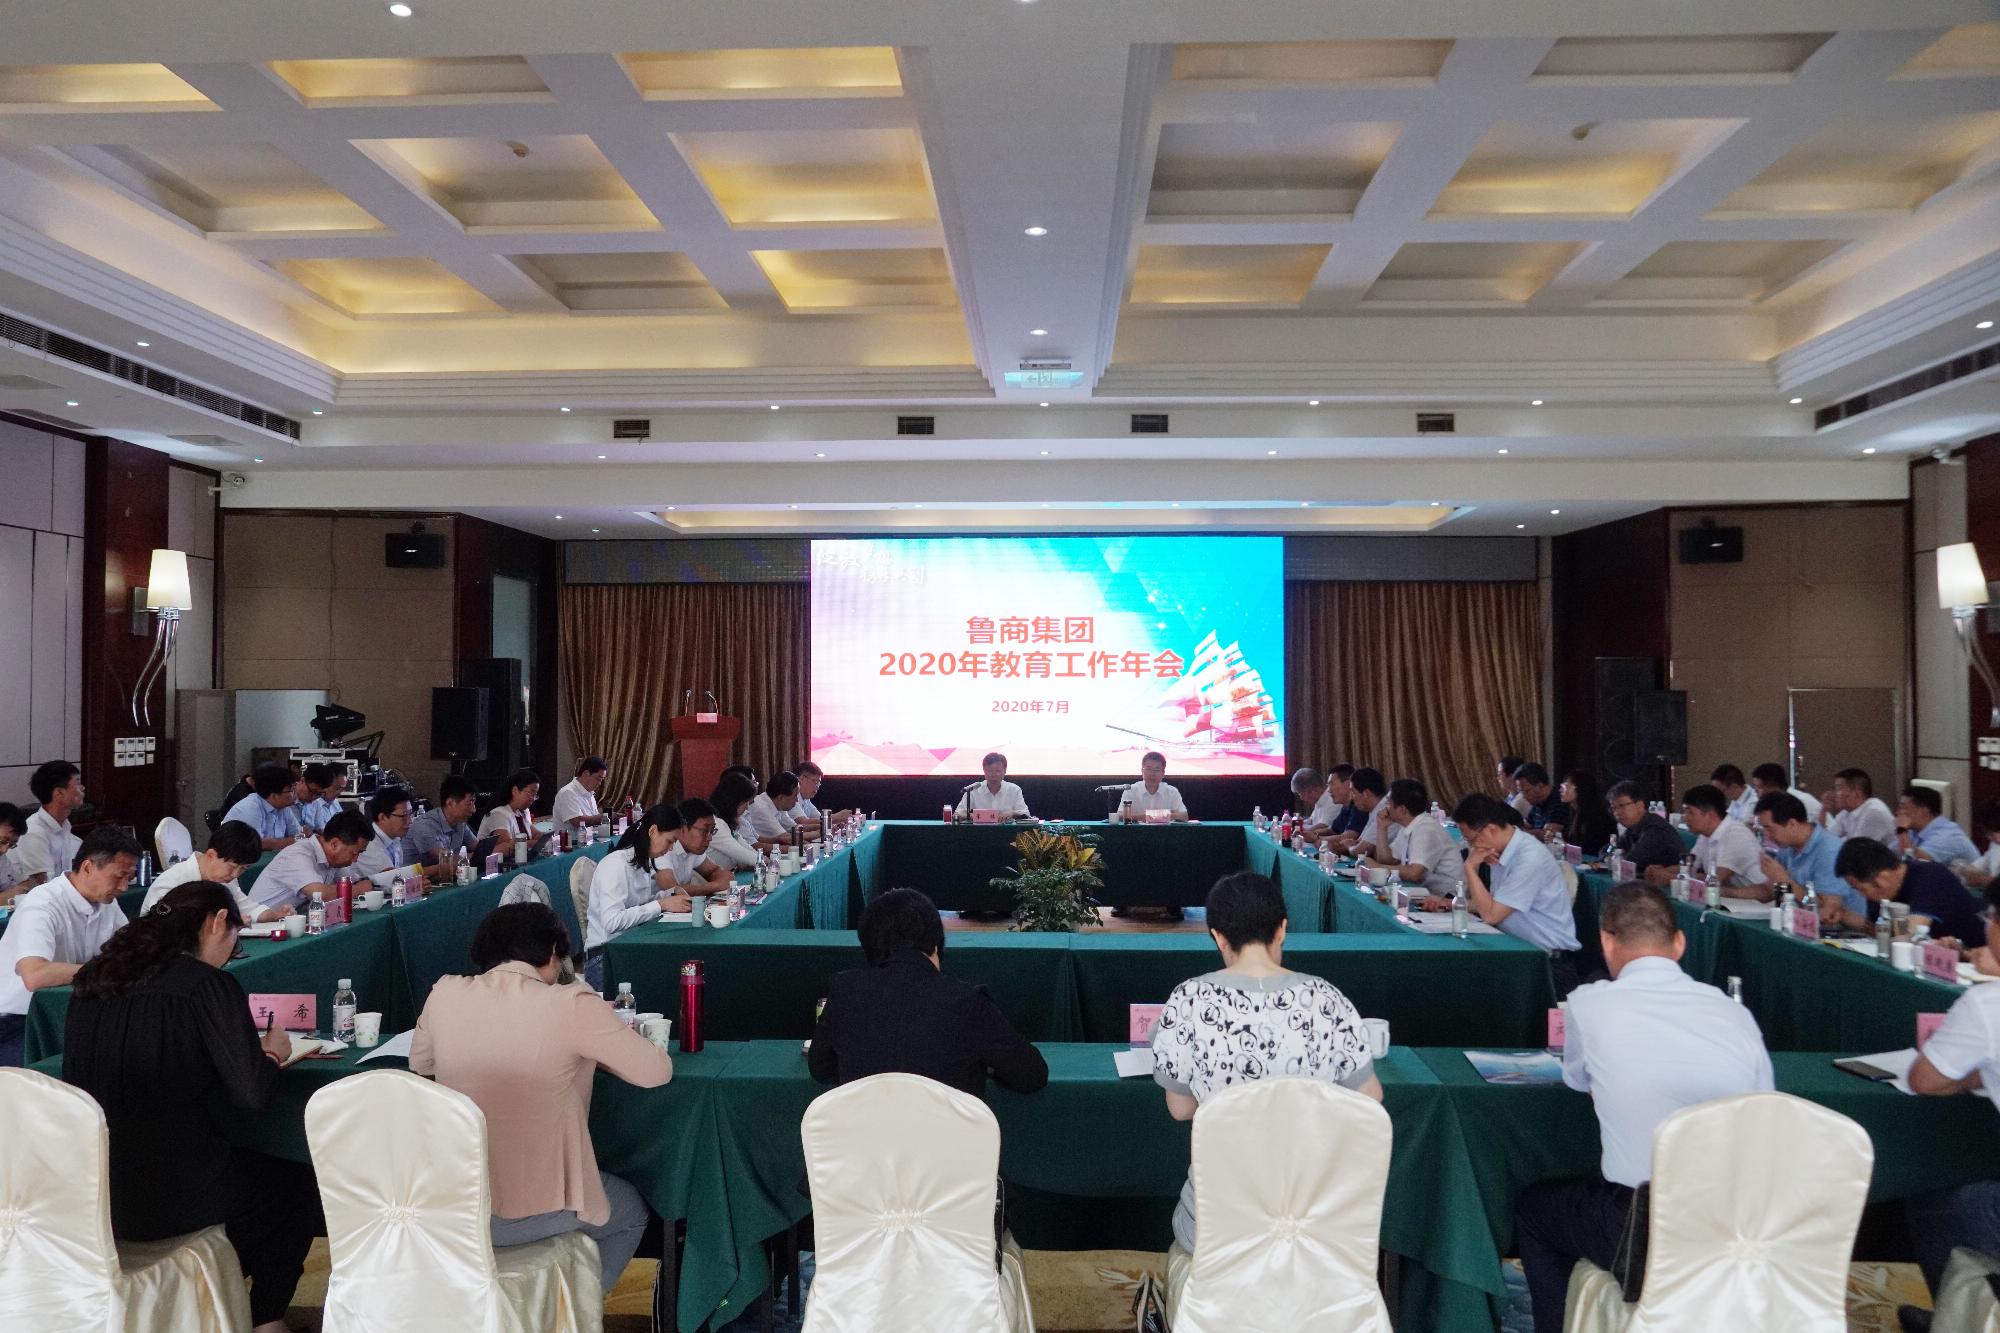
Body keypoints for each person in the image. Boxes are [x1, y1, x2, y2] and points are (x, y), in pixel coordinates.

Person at [61, 881, 320, 1333]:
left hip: (91, 1191)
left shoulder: (94, 981)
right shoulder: (204, 985)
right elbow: (252, 1094)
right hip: (172, 1192)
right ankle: (266, 1318)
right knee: (296, 1183)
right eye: (233, 938)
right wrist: (272, 1055)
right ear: (218, 922)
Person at [1514, 883, 1773, 1333]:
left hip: (1641, 1229)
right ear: (1680, 943)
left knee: (1534, 1211)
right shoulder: (1734, 1013)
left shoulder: (1587, 1004)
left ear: (1607, 942)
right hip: (1735, 1225)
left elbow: (1579, 1083)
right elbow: (1764, 1107)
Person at [412, 901, 671, 1293]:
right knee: (631, 1212)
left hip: (451, 1203)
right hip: (537, 1208)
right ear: (553, 953)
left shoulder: (445, 992)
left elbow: (421, 1062)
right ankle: (575, 1312)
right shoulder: (571, 1002)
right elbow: (655, 1072)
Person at [1150, 871, 1379, 1253]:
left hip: (1218, 1229)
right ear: (1283, 929)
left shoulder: (1187, 1000)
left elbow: (1180, 1108)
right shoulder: (1328, 999)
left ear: (1218, 936)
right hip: (1315, 1225)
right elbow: (1369, 1100)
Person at [809, 887, 1047, 1096]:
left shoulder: (844, 990)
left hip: (864, 1133)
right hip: (949, 1134)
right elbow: (1031, 1075)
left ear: (868, 945)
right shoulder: (966, 1001)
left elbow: (820, 1068)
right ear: (935, 943)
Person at [1904, 882, 2000, 1324]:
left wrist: (1970, 1077)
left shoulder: (1987, 1003)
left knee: (1933, 1197)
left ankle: (1954, 1319)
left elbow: (1924, 1081)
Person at [0, 826, 142, 1065]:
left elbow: (131, 952)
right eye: (118, 876)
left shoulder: (106, 903)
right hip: (16, 1021)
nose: (124, 887)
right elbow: (35, 975)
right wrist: (103, 969)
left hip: (68, 1011)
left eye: (129, 878)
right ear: (88, 867)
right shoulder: (43, 903)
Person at [1432, 796, 1581, 981]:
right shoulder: (1501, 851)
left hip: (1546, 965)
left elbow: (1491, 915)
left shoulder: (1529, 857)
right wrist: (1450, 903)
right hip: (1519, 952)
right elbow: (1495, 904)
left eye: (1471, 840)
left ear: (1491, 830)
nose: (1471, 846)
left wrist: (1470, 867)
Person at [583, 804, 707, 983]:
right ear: (653, 831)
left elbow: (637, 904)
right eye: (670, 841)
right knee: (667, 976)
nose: (671, 849)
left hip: (628, 947)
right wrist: (661, 904)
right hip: (604, 957)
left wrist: (669, 895)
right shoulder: (615, 864)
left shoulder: (642, 862)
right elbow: (612, 922)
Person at [1824, 837, 1985, 948]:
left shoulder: (1931, 878)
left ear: (1882, 879)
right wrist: (1844, 915)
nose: (1861, 895)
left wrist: (1885, 931)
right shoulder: (1881, 891)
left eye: (1861, 889)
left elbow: (1906, 936)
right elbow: (1879, 931)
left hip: (1976, 961)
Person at [245, 810, 371, 918]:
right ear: (334, 844)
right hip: (259, 925)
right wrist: (358, 889)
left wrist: (361, 885)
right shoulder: (298, 854)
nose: (355, 860)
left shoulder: (333, 860)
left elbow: (352, 881)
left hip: (290, 922)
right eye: (354, 853)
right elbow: (320, 895)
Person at [141, 820, 270, 920]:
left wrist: (276, 914)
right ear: (211, 855)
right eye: (232, 866)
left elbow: (250, 909)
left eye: (243, 868)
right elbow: (163, 925)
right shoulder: (172, 881)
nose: (235, 874)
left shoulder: (223, 879)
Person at [1752, 792, 1858, 914]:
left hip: (1836, 925)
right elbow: (1768, 891)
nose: (1767, 836)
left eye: (1769, 829)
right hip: (1798, 920)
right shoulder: (1787, 847)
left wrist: (1785, 881)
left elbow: (1827, 910)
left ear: (1792, 824)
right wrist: (1732, 892)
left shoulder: (1830, 851)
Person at [1368, 778, 1463, 895]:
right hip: (1427, 892)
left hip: (1449, 897)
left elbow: (1414, 873)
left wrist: (1378, 867)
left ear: (1402, 810)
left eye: (1389, 803)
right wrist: (1382, 827)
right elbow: (1387, 859)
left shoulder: (1426, 828)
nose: (1386, 808)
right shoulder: (1409, 825)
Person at [1680, 783, 1768, 898]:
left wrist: (1671, 877)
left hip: (1758, 902)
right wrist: (1665, 873)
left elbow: (1717, 879)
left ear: (1710, 815)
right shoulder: (1705, 835)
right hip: (1734, 900)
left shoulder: (1735, 833)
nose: (1685, 817)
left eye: (1690, 812)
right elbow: (1689, 867)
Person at [408, 775, 510, 872]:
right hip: (411, 881)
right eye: (470, 802)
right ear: (450, 803)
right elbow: (446, 861)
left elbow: (478, 848)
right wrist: (494, 852)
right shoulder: (426, 826)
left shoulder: (460, 823)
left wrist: (500, 848)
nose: (474, 809)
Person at [14, 758, 85, 890]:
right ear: (59, 793)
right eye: (77, 783)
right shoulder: (33, 832)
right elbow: (45, 886)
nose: (82, 788)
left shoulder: (64, 826)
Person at [1607, 781, 1685, 884]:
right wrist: (1609, 857)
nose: (1617, 813)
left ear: (1640, 805)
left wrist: (1611, 859)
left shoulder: (1655, 829)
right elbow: (1609, 851)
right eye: (1614, 808)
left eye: (1621, 806)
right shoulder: (1633, 827)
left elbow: (1631, 861)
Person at [221, 762, 301, 853]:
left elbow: (300, 835)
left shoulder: (283, 808)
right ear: (274, 796)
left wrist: (290, 840)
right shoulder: (250, 808)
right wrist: (290, 840)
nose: (294, 794)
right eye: (290, 790)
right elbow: (259, 844)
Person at [353, 785, 423, 884]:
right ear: (382, 817)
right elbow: (393, 879)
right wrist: (439, 869)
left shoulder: (395, 838)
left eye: (410, 814)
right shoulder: (369, 842)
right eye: (403, 816)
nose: (409, 821)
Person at [1897, 785, 1981, 866]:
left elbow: (1914, 862)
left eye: (1903, 807)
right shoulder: (1913, 832)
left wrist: (1901, 830)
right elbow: (1892, 855)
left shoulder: (1948, 835)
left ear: (1924, 810)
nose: (1898, 812)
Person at [1821, 768, 1897, 847]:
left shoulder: (1874, 812)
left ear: (1857, 794)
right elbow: (1825, 840)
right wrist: (1824, 810)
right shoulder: (1846, 812)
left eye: (1839, 788)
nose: (1834, 794)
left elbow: (1857, 849)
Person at [671, 799, 737, 889]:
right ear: (682, 828)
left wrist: (721, 880)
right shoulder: (664, 850)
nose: (710, 838)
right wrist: (716, 886)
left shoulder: (693, 850)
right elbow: (672, 890)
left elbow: (714, 871)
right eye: (704, 831)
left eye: (712, 831)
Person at [704, 775, 763, 869]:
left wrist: (760, 859)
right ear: (733, 802)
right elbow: (745, 855)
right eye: (745, 802)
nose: (747, 807)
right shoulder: (716, 824)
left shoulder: (728, 822)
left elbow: (748, 850)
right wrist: (766, 861)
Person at [1329, 767, 1387, 856]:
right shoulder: (1373, 810)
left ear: (1366, 793)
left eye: (1353, 792)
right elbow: (1359, 842)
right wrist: (1349, 844)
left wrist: (1348, 846)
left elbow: (1360, 850)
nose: (1351, 797)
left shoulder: (1384, 811)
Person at [955, 752, 1030, 819]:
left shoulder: (1014, 789)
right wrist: (973, 816)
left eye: (998, 771)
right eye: (990, 771)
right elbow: (958, 813)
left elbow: (1026, 814)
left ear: (1005, 770)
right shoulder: (973, 789)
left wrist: (1012, 814)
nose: (993, 774)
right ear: (984, 770)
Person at [1118, 751, 1189, 822]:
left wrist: (1152, 816)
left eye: (1157, 770)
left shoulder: (1171, 792)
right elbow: (1120, 816)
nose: (1152, 774)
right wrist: (1148, 816)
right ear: (1142, 771)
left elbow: (1184, 816)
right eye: (1148, 769)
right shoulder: (1131, 790)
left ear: (1163, 773)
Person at [478, 768, 542, 845]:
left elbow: (535, 834)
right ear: (515, 791)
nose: (533, 799)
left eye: (535, 795)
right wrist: (539, 843)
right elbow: (508, 845)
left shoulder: (523, 811)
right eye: (530, 793)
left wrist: (549, 838)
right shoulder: (498, 814)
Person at [739, 770, 804, 846]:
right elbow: (755, 846)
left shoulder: (778, 805)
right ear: (781, 797)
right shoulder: (760, 808)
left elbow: (758, 839)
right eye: (754, 783)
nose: (797, 800)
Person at [1749, 762, 1822, 825]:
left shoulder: (1799, 802)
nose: (1755, 790)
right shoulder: (1774, 801)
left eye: (1759, 787)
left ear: (1773, 786)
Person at [1560, 770, 1613, 854]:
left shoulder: (1597, 815)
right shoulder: (1571, 811)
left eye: (1565, 786)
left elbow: (1590, 848)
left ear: (1580, 788)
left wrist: (1565, 846)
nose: (1560, 790)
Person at [791, 760, 851, 833]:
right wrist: (836, 817)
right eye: (815, 781)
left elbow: (819, 819)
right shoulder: (791, 797)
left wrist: (836, 824)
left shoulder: (806, 799)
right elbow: (803, 822)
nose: (818, 787)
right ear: (801, 779)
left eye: (819, 783)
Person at [1512, 763, 1571, 835]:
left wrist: (1519, 834)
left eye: (1525, 791)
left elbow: (1548, 834)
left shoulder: (1560, 800)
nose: (1523, 796)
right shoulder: (1537, 803)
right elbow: (1525, 825)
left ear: (1540, 786)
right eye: (1520, 791)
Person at [551, 757, 609, 830]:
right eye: (598, 779)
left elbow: (593, 819)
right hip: (569, 837)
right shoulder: (567, 792)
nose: (599, 783)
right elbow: (577, 821)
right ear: (586, 774)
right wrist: (606, 817)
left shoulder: (589, 794)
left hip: (588, 836)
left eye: (601, 780)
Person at [295, 762, 346, 833]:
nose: (313, 798)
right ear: (302, 781)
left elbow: (320, 830)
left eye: (319, 794)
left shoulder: (316, 801)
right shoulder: (287, 801)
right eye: (312, 791)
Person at [0, 802, 32, 904]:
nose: (4, 850)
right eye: (2, 841)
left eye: (11, 845)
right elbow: (9, 894)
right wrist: (5, 897)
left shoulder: (2, 859)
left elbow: (21, 883)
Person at [1965, 801, 2000, 891]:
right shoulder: (1995, 845)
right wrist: (1970, 872)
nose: (1996, 839)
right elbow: (1981, 863)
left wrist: (1985, 880)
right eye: (1988, 834)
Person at [1290, 766, 1335, 831]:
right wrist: (1293, 824)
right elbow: (1311, 820)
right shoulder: (1320, 799)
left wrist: (1296, 829)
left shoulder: (1333, 799)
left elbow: (1323, 827)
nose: (1302, 798)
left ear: (1314, 790)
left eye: (1302, 794)